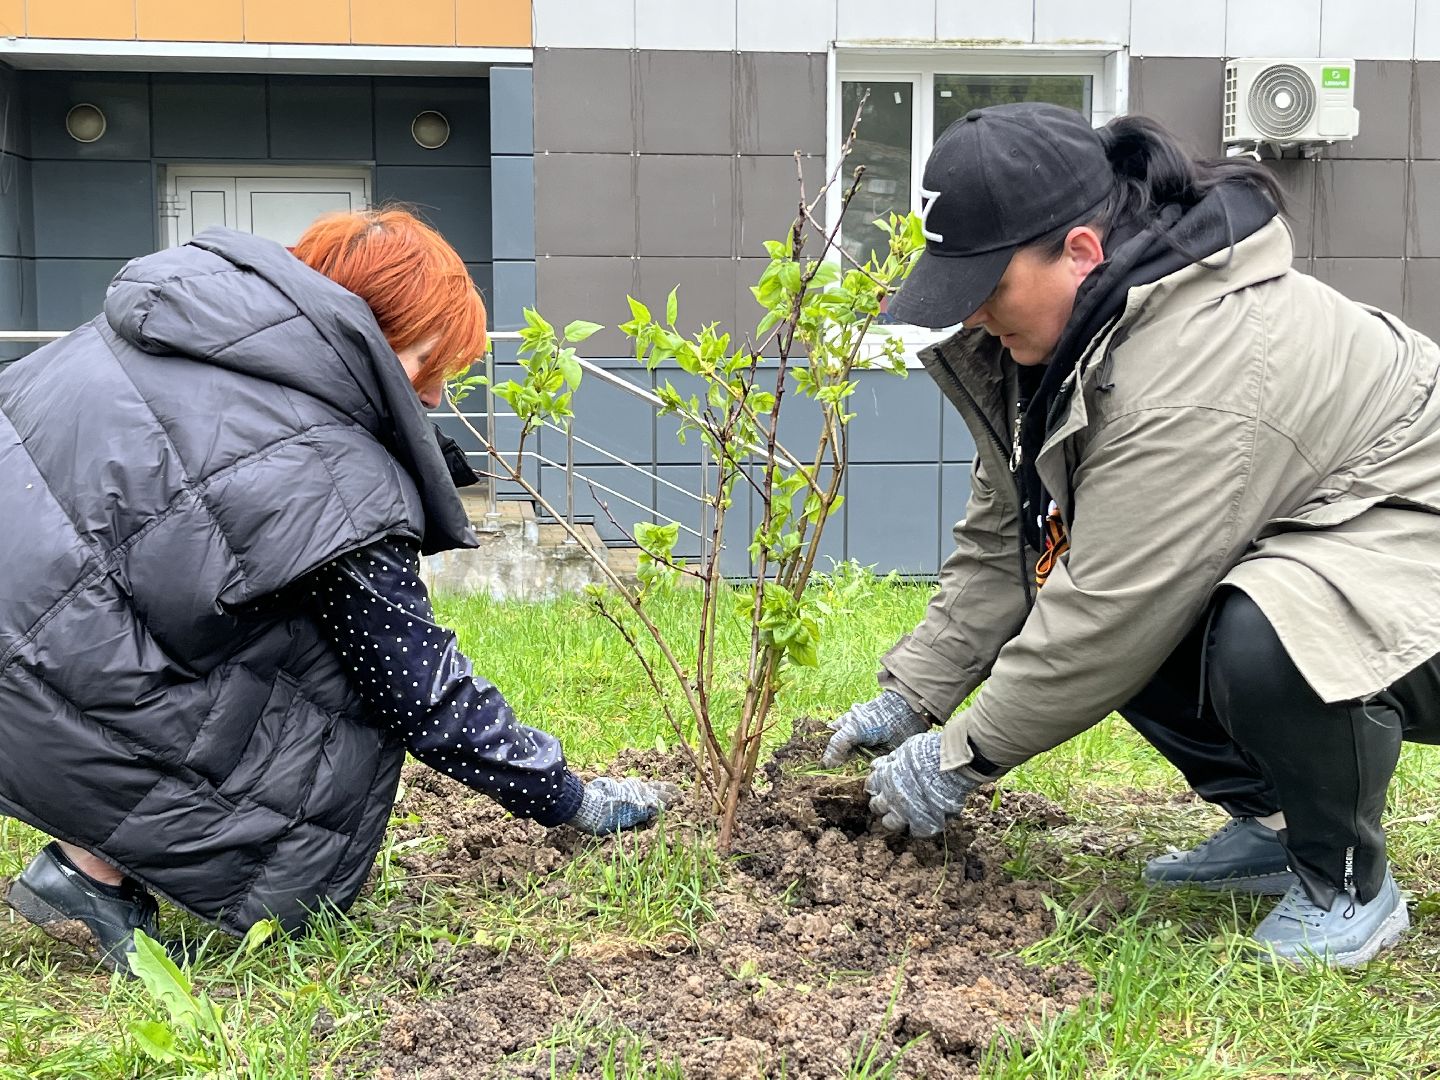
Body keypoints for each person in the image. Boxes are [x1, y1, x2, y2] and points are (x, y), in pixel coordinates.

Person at [823, 103, 1440, 968]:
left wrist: (956, 760)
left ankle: (1346, 881)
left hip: (1416, 549)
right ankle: (1274, 821)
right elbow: (1014, 532)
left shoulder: (1194, 366)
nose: (972, 319)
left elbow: (1110, 609)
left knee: (1265, 632)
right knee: (1097, 586)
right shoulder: (1066, 342)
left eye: (988, 289)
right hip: (1326, 524)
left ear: (1080, 250)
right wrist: (914, 694)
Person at [0, 208, 675, 973]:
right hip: (29, 656)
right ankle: (111, 871)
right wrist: (567, 798)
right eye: (431, 361)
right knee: (336, 679)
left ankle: (86, 872)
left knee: (197, 622)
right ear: (380, 336)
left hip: (27, 619)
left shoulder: (171, 330)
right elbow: (423, 692)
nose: (435, 395)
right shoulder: (328, 468)